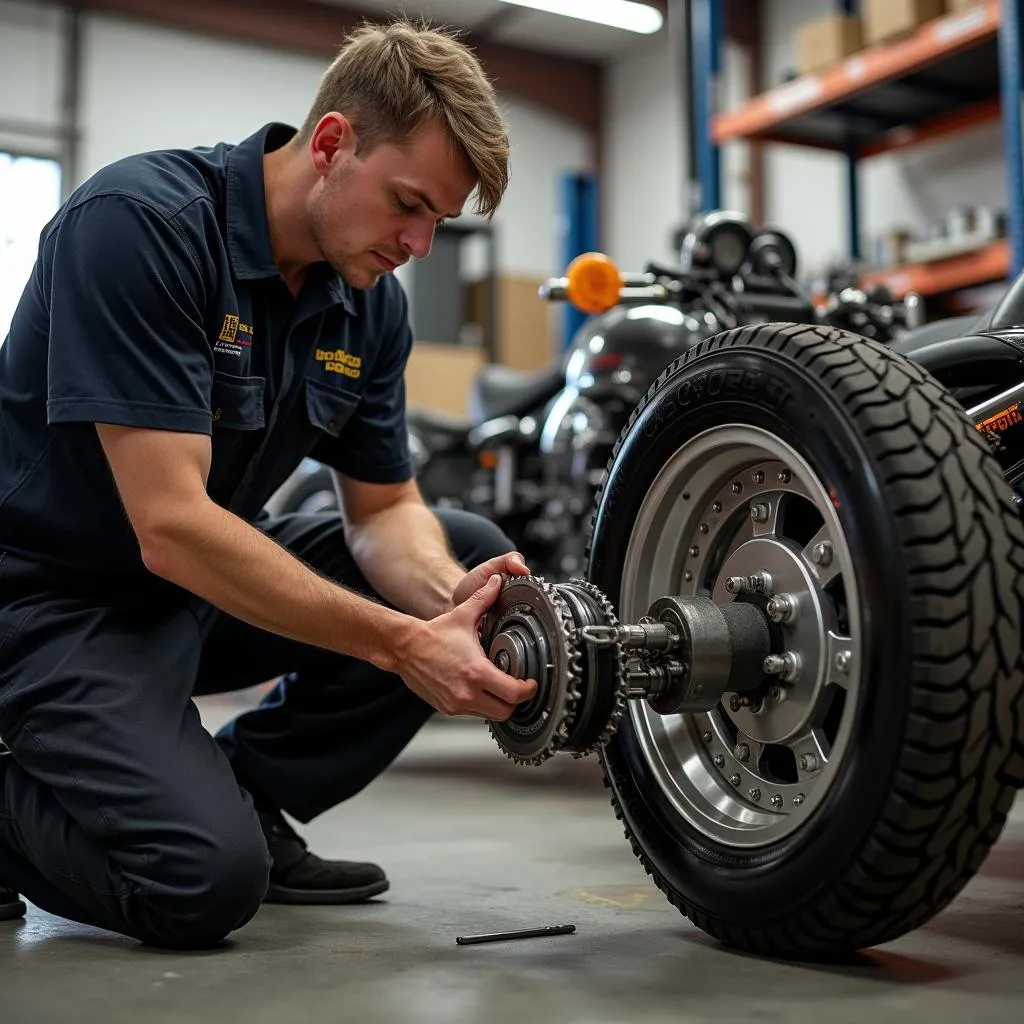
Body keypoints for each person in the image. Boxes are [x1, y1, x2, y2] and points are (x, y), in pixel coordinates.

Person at [0, 19, 538, 949]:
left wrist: (447, 605)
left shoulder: (368, 306)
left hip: (187, 598)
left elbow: (384, 512)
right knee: (200, 885)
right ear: (330, 143)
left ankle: (251, 792)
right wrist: (403, 646)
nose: (417, 243)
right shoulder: (145, 226)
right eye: (408, 203)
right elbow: (170, 525)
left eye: (438, 222)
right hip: (49, 601)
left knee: (476, 563)